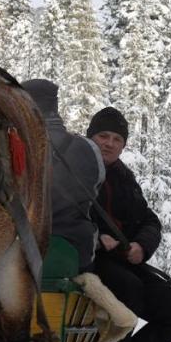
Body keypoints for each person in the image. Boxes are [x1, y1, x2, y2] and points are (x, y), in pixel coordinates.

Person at [85, 105, 171, 342]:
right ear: (90, 137)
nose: (109, 143)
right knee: (129, 288)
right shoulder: (73, 169)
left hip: (124, 261)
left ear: (124, 145)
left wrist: (141, 247)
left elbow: (149, 220)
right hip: (88, 260)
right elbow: (58, 216)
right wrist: (95, 238)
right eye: (103, 135)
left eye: (117, 139)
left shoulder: (124, 177)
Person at [21, 79, 104, 276]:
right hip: (77, 250)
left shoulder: (17, 146)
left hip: (25, 247)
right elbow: (96, 188)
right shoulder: (89, 148)